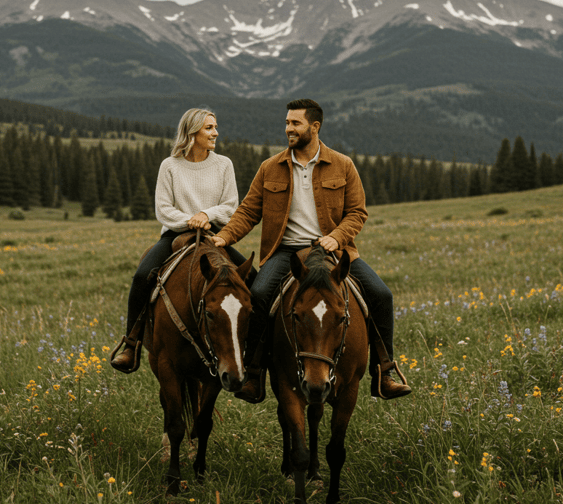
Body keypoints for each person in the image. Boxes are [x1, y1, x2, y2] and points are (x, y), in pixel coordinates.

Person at [213, 98, 411, 402]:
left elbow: (357, 213)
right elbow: (248, 212)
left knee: (381, 295)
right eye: (287, 123)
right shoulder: (270, 167)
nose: (288, 129)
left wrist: (336, 237)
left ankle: (384, 372)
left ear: (314, 127)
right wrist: (224, 238)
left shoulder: (343, 165)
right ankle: (254, 375)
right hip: (286, 254)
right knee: (260, 295)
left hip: (332, 252)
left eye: (295, 123)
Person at [110, 108, 248, 373]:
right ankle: (131, 344)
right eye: (209, 128)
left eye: (215, 127)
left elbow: (231, 206)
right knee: (141, 276)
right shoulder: (170, 165)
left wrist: (206, 214)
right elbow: (163, 209)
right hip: (175, 234)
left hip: (213, 236)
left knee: (249, 278)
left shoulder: (224, 164)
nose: (215, 133)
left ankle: (251, 355)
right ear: (192, 132)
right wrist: (190, 221)